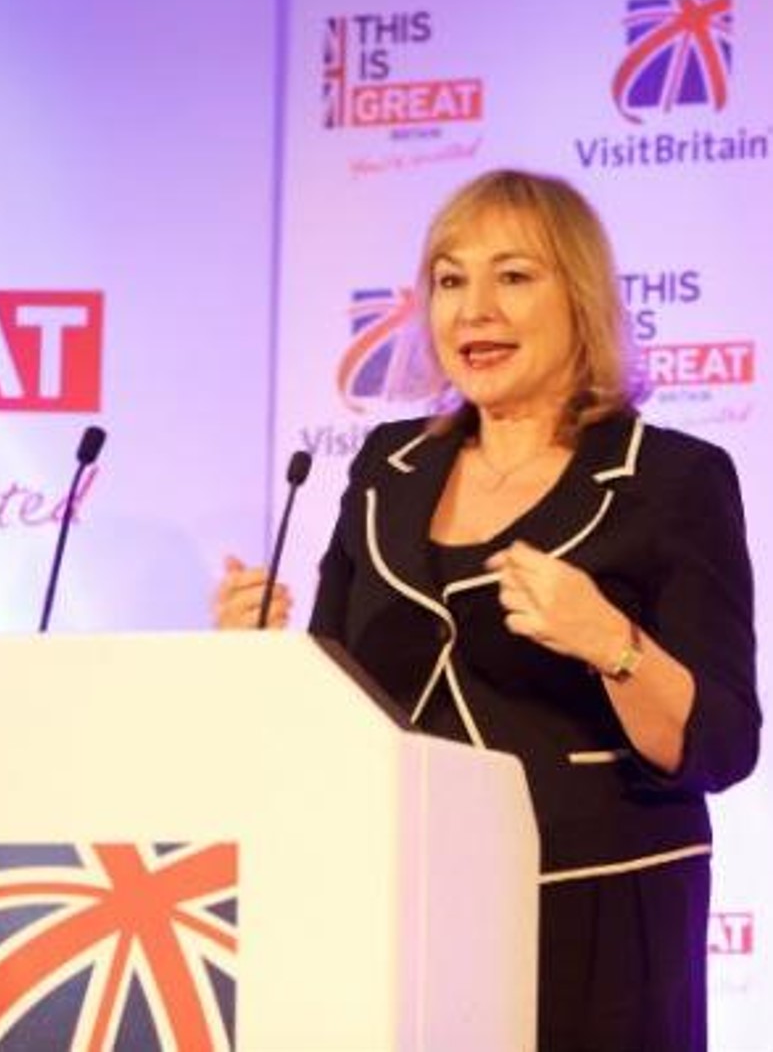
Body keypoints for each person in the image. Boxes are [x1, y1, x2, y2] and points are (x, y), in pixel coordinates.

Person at [213, 169, 761, 1051]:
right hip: (397, 907)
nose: (473, 310)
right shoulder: (386, 468)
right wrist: (259, 659)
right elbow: (338, 711)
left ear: (578, 297)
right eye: (448, 279)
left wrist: (612, 643)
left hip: (593, 919)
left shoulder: (670, 479)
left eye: (512, 276)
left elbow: (723, 744)